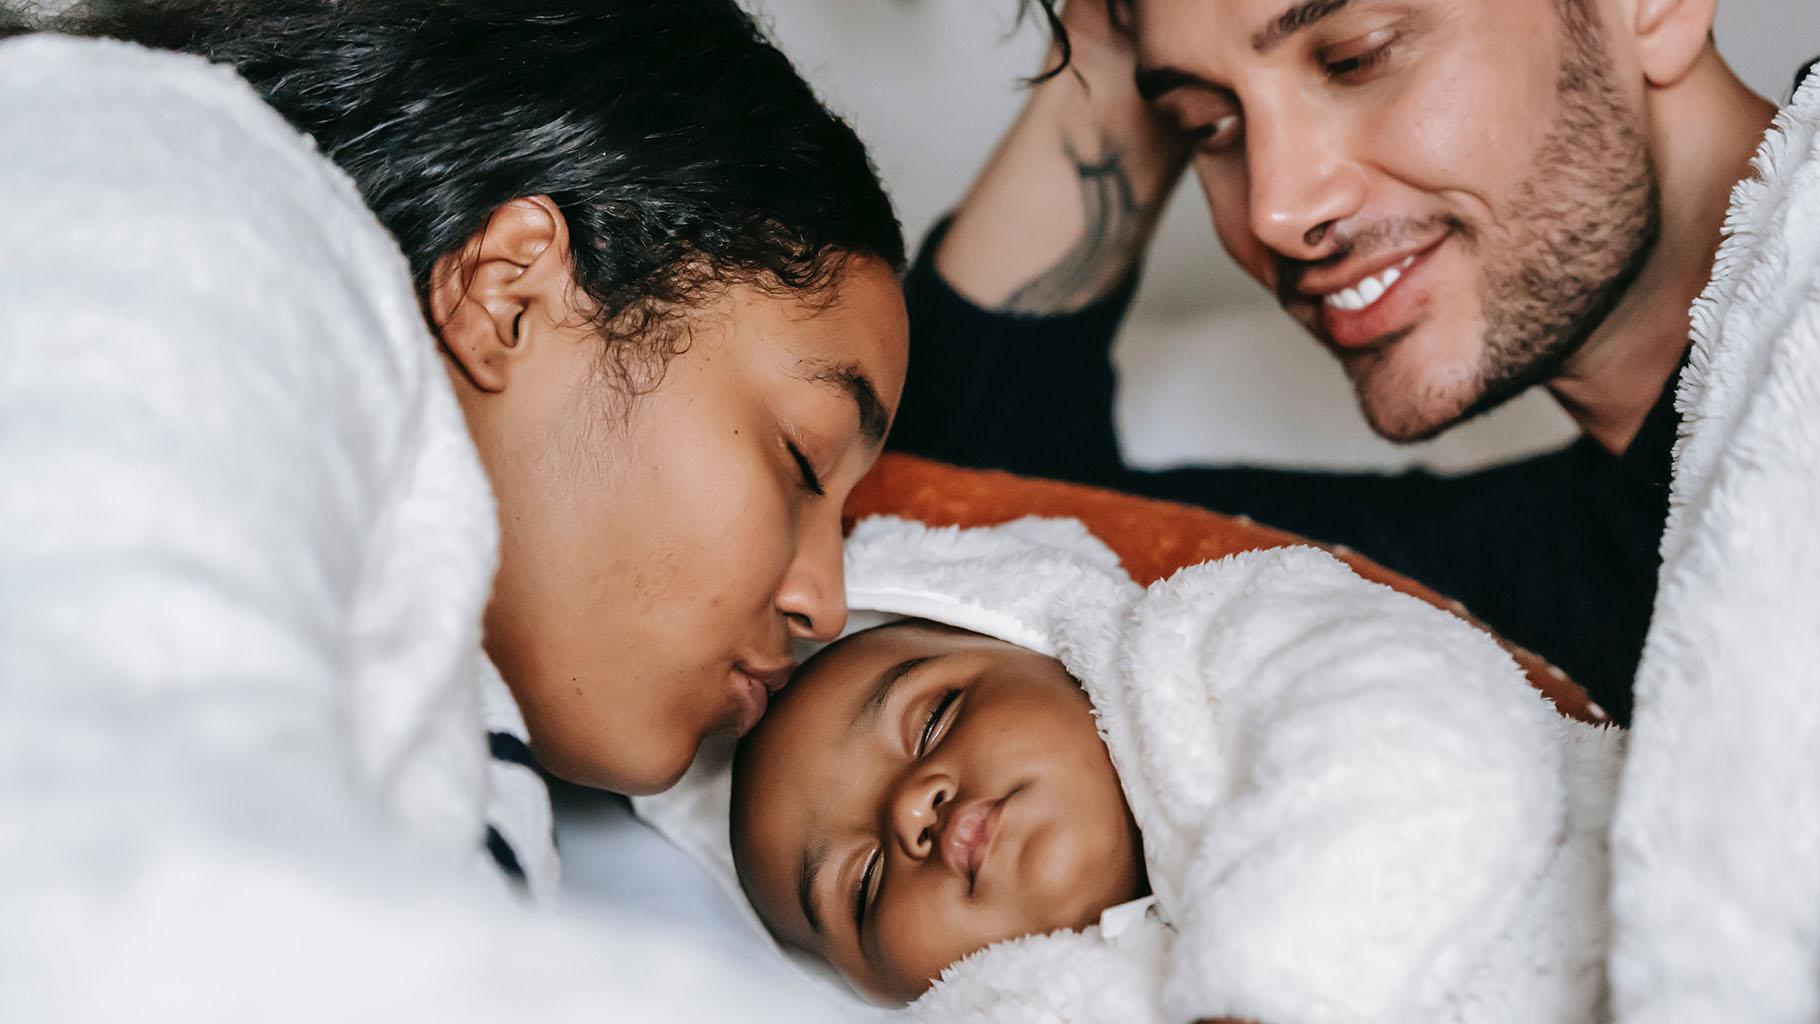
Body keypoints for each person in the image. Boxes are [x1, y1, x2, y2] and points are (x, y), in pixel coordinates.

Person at [0, 0, 903, 1014]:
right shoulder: (160, 201)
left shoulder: (457, 714)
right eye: (803, 460)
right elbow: (103, 884)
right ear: (510, 291)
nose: (824, 603)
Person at [891, 0, 1811, 723]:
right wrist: (1104, 37)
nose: (1274, 211)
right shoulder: (1543, 595)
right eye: (1207, 124)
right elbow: (969, 512)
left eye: (1356, 57)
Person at [729, 524, 1617, 1018]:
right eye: (867, 882)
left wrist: (1270, 990)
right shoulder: (1013, 1008)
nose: (910, 811)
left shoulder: (1208, 641)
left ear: (1044, 647)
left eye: (932, 719)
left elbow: (1423, 730)